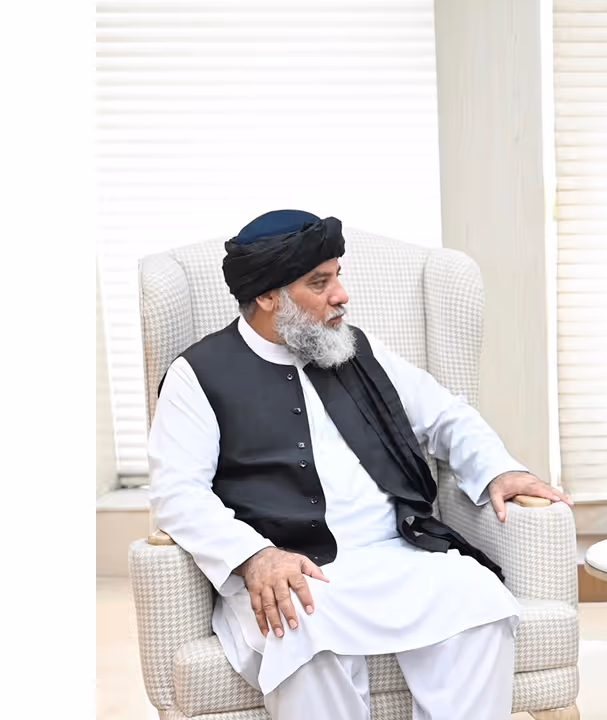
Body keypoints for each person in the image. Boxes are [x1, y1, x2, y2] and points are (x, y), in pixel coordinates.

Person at [147, 209, 572, 720]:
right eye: (319, 282)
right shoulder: (198, 375)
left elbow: (445, 415)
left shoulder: (352, 348)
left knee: (478, 600)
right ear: (267, 296)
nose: (341, 295)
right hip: (296, 568)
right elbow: (178, 493)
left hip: (396, 554)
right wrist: (257, 558)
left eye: (338, 276)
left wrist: (499, 469)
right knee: (297, 624)